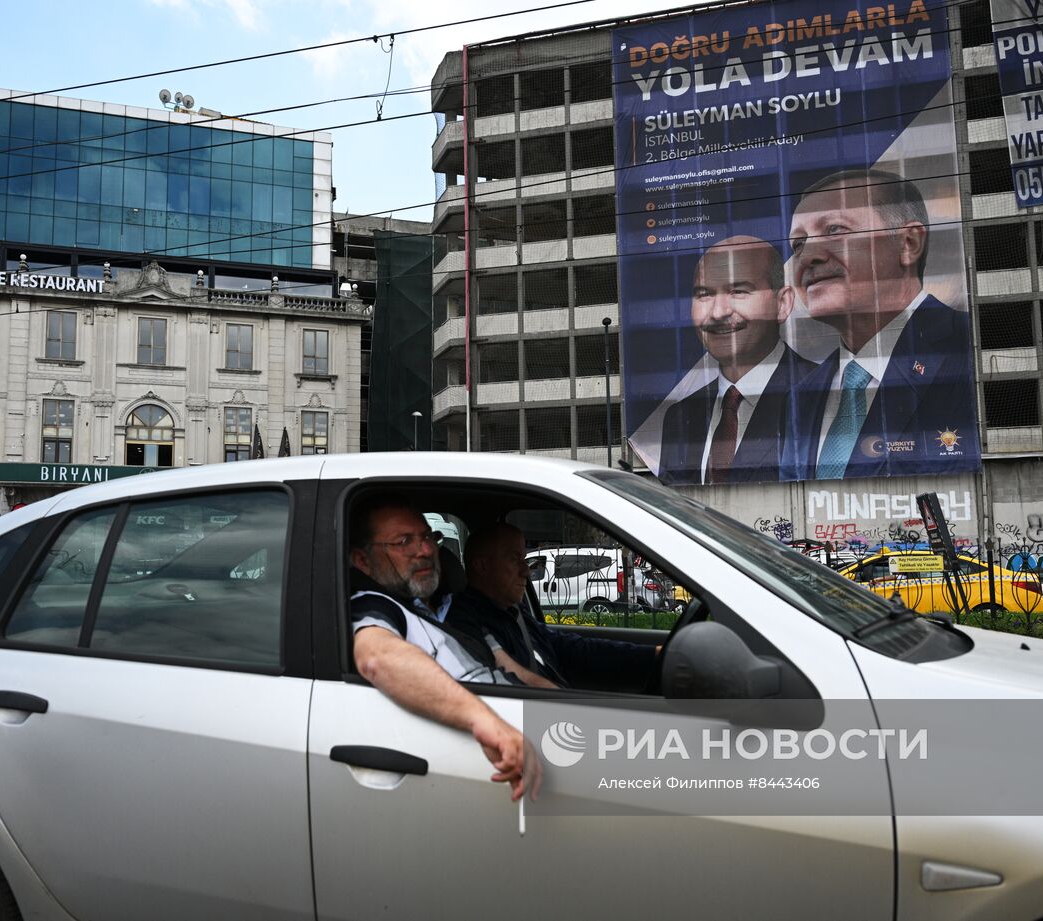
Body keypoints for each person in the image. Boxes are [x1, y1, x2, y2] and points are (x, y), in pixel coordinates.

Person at [787, 168, 979, 479]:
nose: (807, 255)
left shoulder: (969, 344)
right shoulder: (801, 394)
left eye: (835, 230)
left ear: (908, 243)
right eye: (797, 244)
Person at [349, 498, 542, 800]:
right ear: (362, 560)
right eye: (403, 542)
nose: (425, 550)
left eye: (427, 537)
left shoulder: (435, 612)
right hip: (501, 742)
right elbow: (377, 656)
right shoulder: (374, 605)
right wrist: (485, 721)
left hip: (530, 722)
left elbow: (513, 670)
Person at [657, 235, 815, 485]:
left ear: (782, 303)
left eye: (738, 291)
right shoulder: (679, 417)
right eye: (705, 294)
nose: (718, 312)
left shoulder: (822, 393)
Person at [449, 522, 659, 691]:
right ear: (482, 566)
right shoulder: (466, 622)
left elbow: (569, 647)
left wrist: (653, 655)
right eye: (514, 560)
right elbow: (509, 676)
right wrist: (569, 706)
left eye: (524, 559)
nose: (527, 571)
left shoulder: (514, 613)